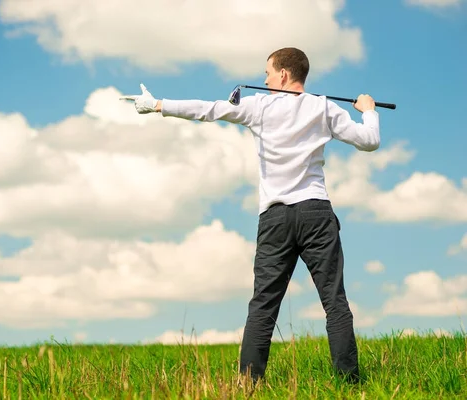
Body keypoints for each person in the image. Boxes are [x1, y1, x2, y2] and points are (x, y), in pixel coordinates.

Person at [120, 47, 380, 384]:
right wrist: (369, 111)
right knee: (335, 302)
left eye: (268, 73)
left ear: (284, 74)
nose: (265, 79)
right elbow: (370, 140)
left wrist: (157, 105)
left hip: (276, 219)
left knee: (263, 306)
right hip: (316, 212)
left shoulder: (259, 106)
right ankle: (349, 385)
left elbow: (207, 110)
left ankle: (248, 386)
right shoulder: (325, 107)